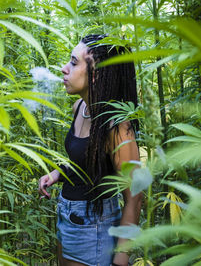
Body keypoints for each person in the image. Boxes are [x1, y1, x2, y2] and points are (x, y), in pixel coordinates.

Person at [38, 34, 142, 266]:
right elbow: (85, 161)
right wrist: (56, 174)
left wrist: (121, 259)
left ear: (96, 74)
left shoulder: (117, 128)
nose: (64, 69)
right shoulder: (80, 107)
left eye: (74, 63)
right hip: (67, 217)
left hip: (94, 228)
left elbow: (135, 198)